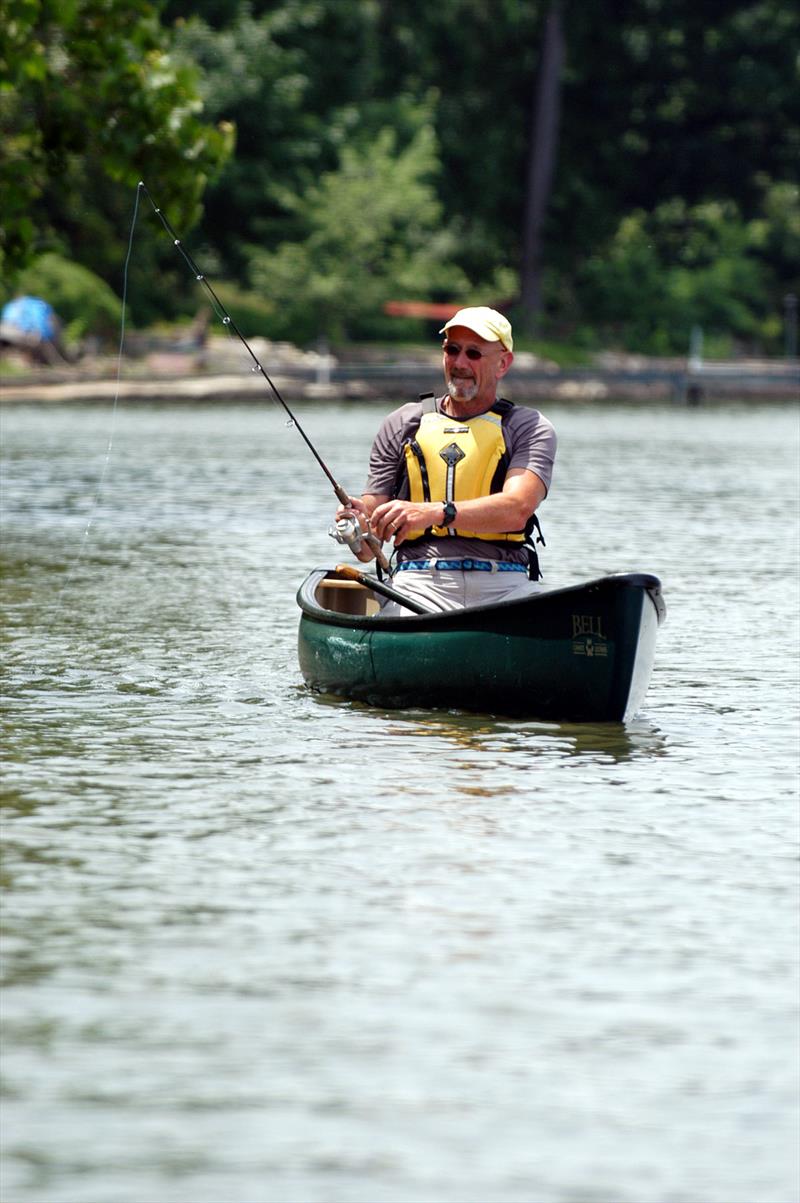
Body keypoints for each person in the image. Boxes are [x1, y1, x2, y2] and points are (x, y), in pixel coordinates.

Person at [337, 306, 557, 615]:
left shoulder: (528, 427)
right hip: (417, 584)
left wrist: (433, 513)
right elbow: (365, 548)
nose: (460, 363)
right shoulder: (402, 423)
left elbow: (516, 510)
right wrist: (357, 525)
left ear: (503, 363)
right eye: (452, 350)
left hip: (506, 585)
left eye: (474, 354)